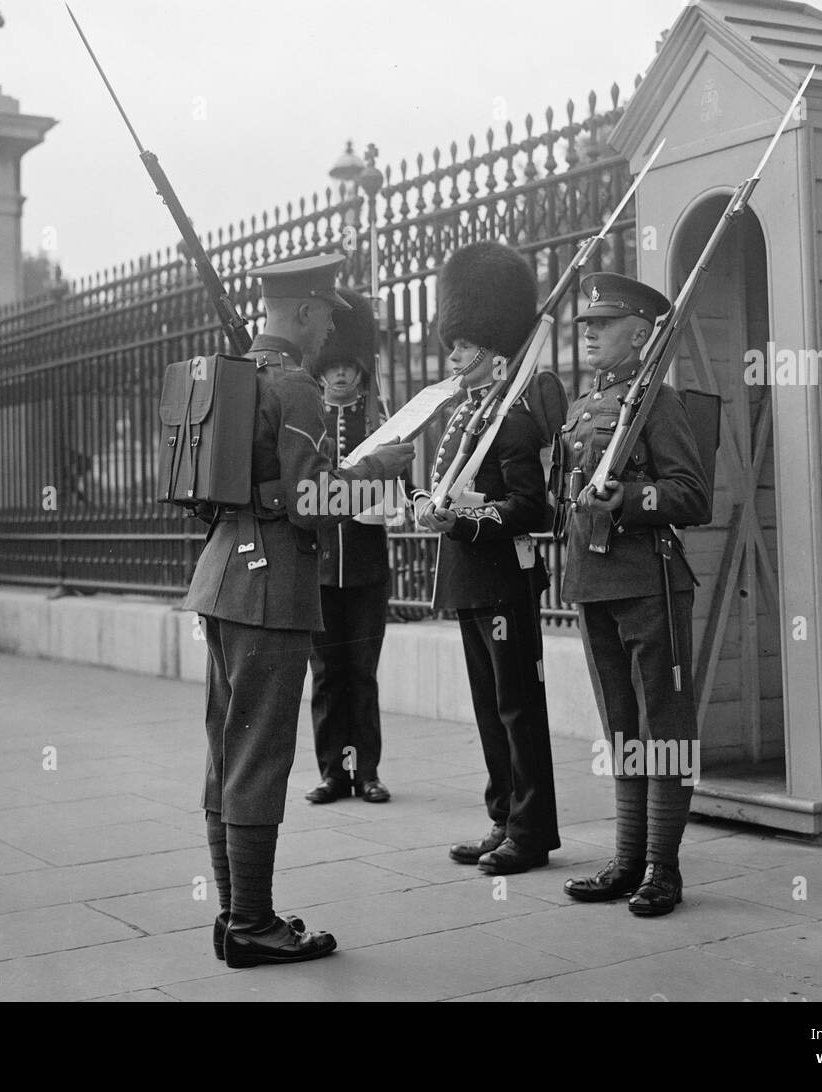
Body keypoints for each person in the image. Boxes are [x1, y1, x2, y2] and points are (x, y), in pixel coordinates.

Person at [181, 253, 415, 968]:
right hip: (272, 587)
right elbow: (313, 505)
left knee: (227, 752)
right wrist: (380, 468)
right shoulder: (298, 390)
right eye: (327, 321)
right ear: (308, 314)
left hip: (221, 578)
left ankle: (233, 914)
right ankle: (252, 922)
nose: (327, 340)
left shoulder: (233, 377)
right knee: (258, 757)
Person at [559, 272, 711, 917]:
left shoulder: (658, 403)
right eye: (586, 325)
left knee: (664, 727)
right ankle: (627, 859)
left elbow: (693, 495)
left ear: (642, 334)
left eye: (604, 324)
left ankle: (662, 869)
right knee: (620, 726)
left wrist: (634, 499)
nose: (589, 333)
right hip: (593, 580)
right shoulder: (581, 406)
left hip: (649, 579)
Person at [412, 241, 561, 876]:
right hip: (472, 579)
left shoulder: (515, 418)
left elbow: (534, 509)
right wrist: (428, 503)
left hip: (504, 580)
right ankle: (503, 818)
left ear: (493, 349)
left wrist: (466, 521)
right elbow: (447, 485)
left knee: (516, 707)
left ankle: (531, 830)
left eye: (462, 346)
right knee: (487, 707)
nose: (452, 357)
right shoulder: (462, 416)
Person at [304, 288, 393, 806]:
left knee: (361, 672)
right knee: (327, 676)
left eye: (349, 368)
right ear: (321, 370)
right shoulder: (309, 419)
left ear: (361, 370)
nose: (341, 375)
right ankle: (333, 772)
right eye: (333, 367)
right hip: (320, 569)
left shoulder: (377, 421)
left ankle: (368, 772)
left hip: (364, 566)